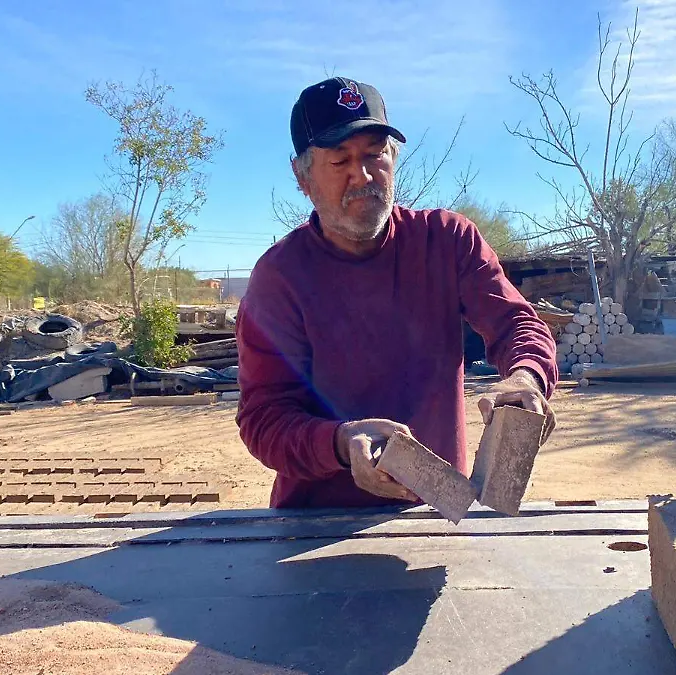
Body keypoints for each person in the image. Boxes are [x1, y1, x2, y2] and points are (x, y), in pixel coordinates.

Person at [235, 77, 558, 509]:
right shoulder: (280, 277)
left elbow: (516, 324)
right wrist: (340, 442)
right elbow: (264, 419)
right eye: (340, 160)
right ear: (303, 176)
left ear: (394, 157)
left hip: (435, 515)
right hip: (315, 524)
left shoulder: (447, 240)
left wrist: (527, 377)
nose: (363, 175)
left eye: (375, 154)